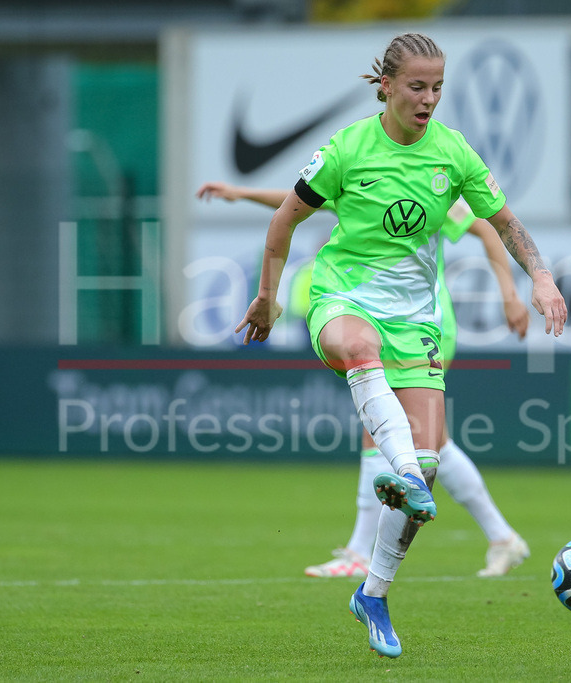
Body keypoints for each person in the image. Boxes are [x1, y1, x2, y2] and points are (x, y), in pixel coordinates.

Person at [234, 32, 567, 659]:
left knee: (432, 466)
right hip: (344, 299)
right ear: (385, 85)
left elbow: (505, 223)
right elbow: (284, 219)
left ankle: (374, 593)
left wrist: (540, 277)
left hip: (418, 323)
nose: (429, 99)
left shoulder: (452, 152)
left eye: (438, 87)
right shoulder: (346, 150)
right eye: (417, 86)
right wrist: (267, 297)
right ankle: (405, 473)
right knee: (361, 352)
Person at [196, 181, 533, 578]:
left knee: (382, 431)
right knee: (430, 442)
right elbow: (298, 201)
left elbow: (484, 225)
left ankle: (359, 552)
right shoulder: (361, 186)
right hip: (377, 319)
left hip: (421, 324)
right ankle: (502, 537)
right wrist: (243, 193)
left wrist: (510, 294)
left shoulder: (426, 188)